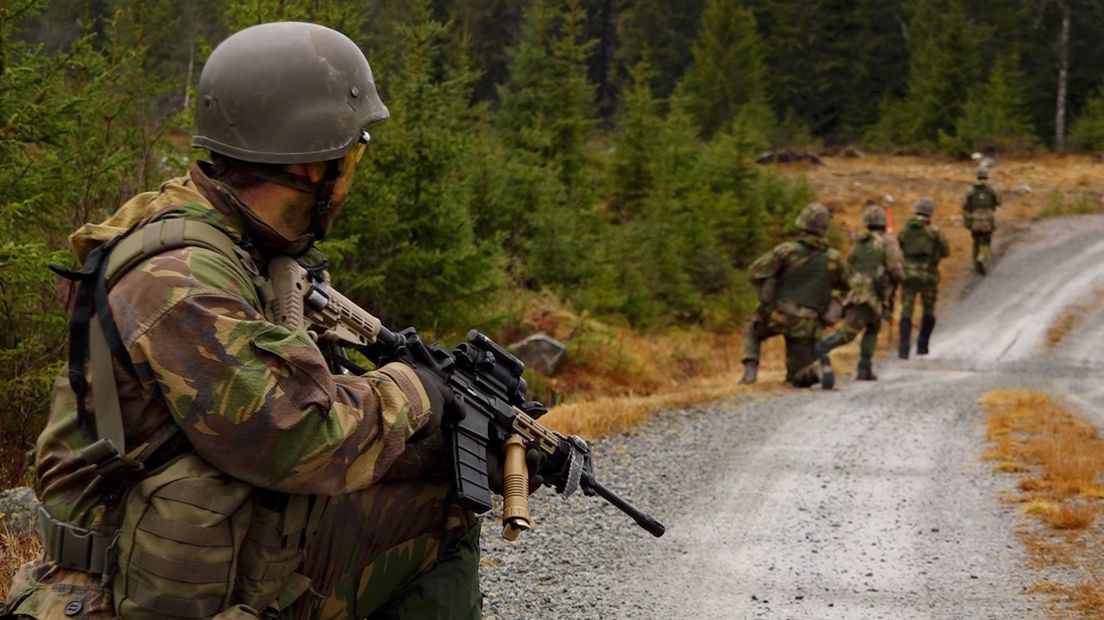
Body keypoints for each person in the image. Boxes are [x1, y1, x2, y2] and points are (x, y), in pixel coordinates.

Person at [5, 22, 486, 619]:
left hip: (187, 557)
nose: (357, 165)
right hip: (122, 590)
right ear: (315, 165)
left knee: (440, 489)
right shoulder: (180, 282)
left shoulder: (235, 240)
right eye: (356, 147)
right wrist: (417, 394)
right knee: (441, 514)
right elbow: (298, 436)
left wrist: (445, 439)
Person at [740, 203, 850, 388]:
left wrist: (769, 288)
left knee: (752, 331)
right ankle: (815, 371)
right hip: (807, 325)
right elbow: (849, 288)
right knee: (796, 379)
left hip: (778, 315)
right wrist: (835, 306)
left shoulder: (786, 251)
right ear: (824, 228)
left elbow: (754, 272)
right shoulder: (834, 258)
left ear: (802, 224)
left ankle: (750, 372)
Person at [813, 204, 904, 381]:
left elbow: (849, 265)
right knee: (851, 332)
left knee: (873, 327)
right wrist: (901, 280)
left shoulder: (860, 243)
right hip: (874, 294)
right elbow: (895, 269)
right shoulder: (886, 242)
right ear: (883, 223)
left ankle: (865, 367)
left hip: (858, 292)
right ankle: (820, 348)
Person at [897, 197, 950, 359]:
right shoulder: (934, 231)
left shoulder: (906, 229)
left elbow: (900, 244)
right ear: (930, 213)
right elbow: (946, 251)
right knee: (928, 309)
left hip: (909, 275)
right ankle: (922, 346)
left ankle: (903, 348)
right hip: (928, 275)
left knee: (906, 310)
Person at [962, 167, 1000, 274]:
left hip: (974, 220)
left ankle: (976, 265)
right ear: (986, 177)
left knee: (975, 242)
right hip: (987, 220)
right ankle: (982, 257)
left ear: (977, 176)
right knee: (986, 241)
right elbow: (999, 201)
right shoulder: (991, 189)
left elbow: (964, 205)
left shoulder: (970, 190)